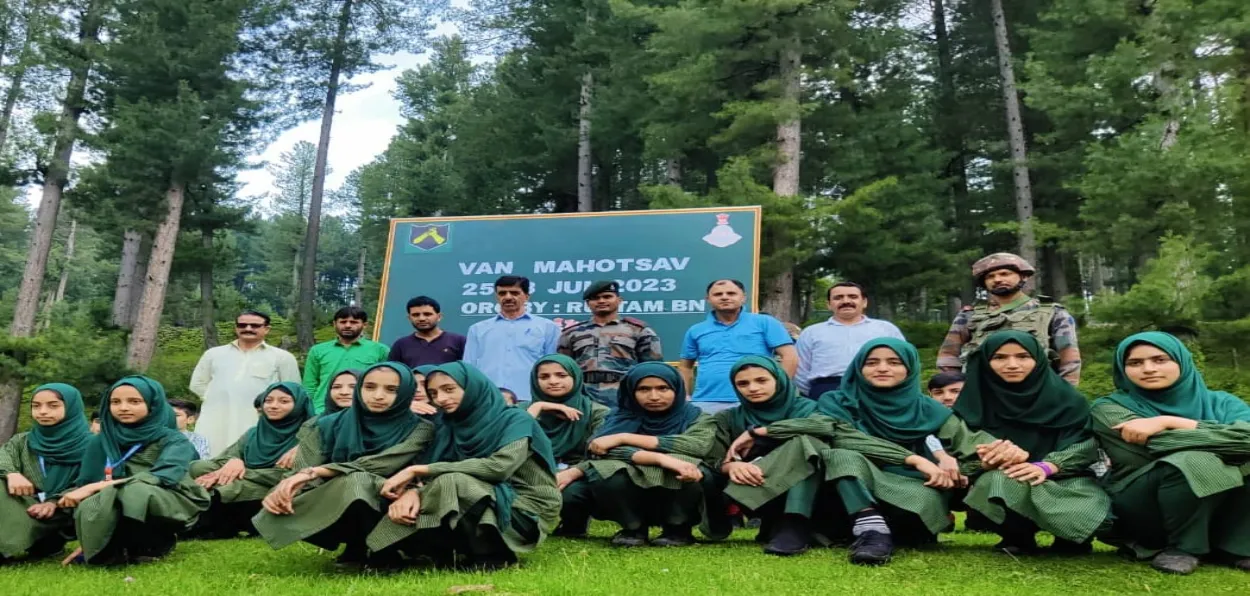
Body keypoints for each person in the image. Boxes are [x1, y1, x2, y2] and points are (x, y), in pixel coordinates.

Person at [366, 361, 561, 570]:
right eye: (433, 393)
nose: (441, 399)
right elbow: (431, 469)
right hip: (479, 494)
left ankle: (492, 555)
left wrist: (419, 470)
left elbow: (499, 467)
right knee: (442, 485)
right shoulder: (447, 423)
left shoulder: (515, 419)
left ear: (473, 387)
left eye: (449, 389)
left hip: (526, 504)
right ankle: (393, 551)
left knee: (453, 481)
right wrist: (413, 492)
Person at [1092, 332, 1250, 575]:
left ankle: (1236, 546)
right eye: (1135, 363)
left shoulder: (1223, 403)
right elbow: (1163, 444)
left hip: (1215, 500)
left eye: (1160, 360)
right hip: (1143, 503)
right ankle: (1183, 548)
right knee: (1192, 460)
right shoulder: (1109, 408)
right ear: (1122, 369)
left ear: (1182, 362)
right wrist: (1226, 443)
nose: (1148, 369)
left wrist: (1172, 421)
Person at [253, 362, 432, 569]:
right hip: (339, 497)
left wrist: (314, 472)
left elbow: (379, 464)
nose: (378, 396)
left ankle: (384, 550)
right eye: (370, 387)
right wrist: (283, 490)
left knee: (357, 480)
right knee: (301, 491)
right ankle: (355, 546)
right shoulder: (325, 424)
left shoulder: (421, 427)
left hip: (401, 497)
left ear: (406, 392)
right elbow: (302, 467)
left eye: (391, 390)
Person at [953, 331, 1110, 555]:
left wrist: (1047, 466)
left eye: (1023, 356)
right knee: (995, 481)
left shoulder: (1068, 401)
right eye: (1000, 357)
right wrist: (987, 462)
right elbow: (962, 452)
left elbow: (1087, 444)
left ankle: (1071, 538)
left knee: (1090, 505)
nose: (1012, 364)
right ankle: (1017, 536)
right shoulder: (973, 404)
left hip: (1065, 477)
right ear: (985, 362)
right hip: (1009, 477)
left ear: (1038, 360)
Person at [815, 339, 961, 565]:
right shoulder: (837, 401)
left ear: (909, 368)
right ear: (859, 367)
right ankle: (872, 530)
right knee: (841, 455)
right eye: (872, 362)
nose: (882, 368)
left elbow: (968, 444)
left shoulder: (930, 408)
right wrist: (913, 459)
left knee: (915, 513)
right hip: (854, 484)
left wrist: (954, 460)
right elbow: (843, 438)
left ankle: (875, 530)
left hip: (910, 485)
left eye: (894, 362)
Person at [59, 376, 210, 565]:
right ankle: (101, 547)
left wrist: (99, 486)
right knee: (82, 497)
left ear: (152, 404)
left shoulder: (172, 439)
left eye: (134, 401)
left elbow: (164, 475)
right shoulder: (101, 440)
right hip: (111, 496)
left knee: (134, 492)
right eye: (115, 402)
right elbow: (86, 481)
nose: (123, 407)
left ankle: (152, 543)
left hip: (168, 495)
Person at [564, 362, 711, 547]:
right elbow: (599, 449)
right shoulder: (617, 417)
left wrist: (624, 438)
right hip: (630, 488)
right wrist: (660, 458)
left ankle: (678, 529)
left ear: (677, 387)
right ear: (630, 391)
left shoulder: (696, 417)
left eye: (663, 388)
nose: (654, 396)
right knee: (606, 472)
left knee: (689, 465)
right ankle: (633, 528)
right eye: (643, 389)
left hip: (676, 488)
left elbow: (698, 446)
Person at [189, 382, 315, 539]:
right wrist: (235, 461)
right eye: (268, 401)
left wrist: (240, 473)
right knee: (198, 467)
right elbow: (224, 457)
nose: (273, 406)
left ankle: (216, 527)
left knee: (229, 486)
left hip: (277, 487)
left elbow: (289, 474)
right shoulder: (254, 433)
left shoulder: (309, 435)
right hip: (248, 480)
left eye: (284, 401)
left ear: (299, 405)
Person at [937, 253, 1081, 385]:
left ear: (1023, 277)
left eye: (1005, 274)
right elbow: (949, 356)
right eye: (990, 276)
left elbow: (1069, 357)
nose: (998, 279)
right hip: (982, 393)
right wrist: (955, 389)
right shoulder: (969, 315)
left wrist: (1065, 393)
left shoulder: (1052, 312)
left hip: (1038, 391)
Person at [0, 384, 93, 562]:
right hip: (28, 507)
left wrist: (54, 502)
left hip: (66, 513)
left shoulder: (93, 445)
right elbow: (3, 457)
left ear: (72, 407)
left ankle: (50, 543)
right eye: (36, 406)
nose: (43, 411)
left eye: (53, 405)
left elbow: (93, 482)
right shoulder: (23, 441)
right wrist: (11, 473)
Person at [521, 355, 610, 536]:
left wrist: (570, 472)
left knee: (572, 492)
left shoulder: (597, 412)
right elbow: (511, 444)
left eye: (561, 375)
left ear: (576, 377)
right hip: (529, 471)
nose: (553, 381)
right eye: (544, 377)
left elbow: (602, 455)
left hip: (576, 472)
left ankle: (574, 524)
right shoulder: (524, 410)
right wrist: (538, 407)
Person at [191, 310, 300, 456]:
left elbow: (292, 390)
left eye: (254, 325)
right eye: (242, 325)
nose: (248, 328)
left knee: (247, 457)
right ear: (236, 328)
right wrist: (215, 398)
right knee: (207, 456)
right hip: (215, 416)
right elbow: (197, 383)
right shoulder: (214, 354)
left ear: (266, 329)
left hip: (257, 419)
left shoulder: (282, 357)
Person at [679, 280, 798, 413]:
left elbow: (790, 356)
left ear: (743, 298)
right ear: (708, 299)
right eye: (718, 294)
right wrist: (684, 397)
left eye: (731, 293)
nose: (724, 297)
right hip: (706, 401)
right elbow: (685, 366)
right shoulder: (696, 330)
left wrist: (779, 390)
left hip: (756, 399)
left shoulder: (765, 323)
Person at [558, 281, 663, 408]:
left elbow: (652, 369)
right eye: (595, 298)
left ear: (619, 300)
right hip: (583, 394)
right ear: (587, 304)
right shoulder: (571, 333)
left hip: (624, 393)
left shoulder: (639, 330)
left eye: (607, 297)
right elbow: (563, 369)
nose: (601, 301)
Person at [795, 282, 905, 399]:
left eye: (853, 297)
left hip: (877, 389)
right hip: (826, 392)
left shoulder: (886, 329)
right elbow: (800, 371)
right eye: (838, 298)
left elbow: (905, 361)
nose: (846, 301)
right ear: (829, 304)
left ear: (864, 302)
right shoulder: (811, 332)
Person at [463, 275, 560, 402]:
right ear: (496, 296)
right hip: (488, 399)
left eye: (514, 293)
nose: (508, 297)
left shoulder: (547, 327)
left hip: (531, 398)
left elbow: (553, 366)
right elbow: (469, 367)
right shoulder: (477, 329)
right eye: (502, 293)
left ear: (527, 296)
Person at [304, 306, 391, 415]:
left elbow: (387, 382)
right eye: (343, 322)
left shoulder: (381, 350)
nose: (348, 325)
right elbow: (309, 385)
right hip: (322, 410)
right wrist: (310, 410)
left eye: (354, 322)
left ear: (364, 325)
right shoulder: (317, 350)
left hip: (364, 410)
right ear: (334, 324)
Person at [388, 296, 467, 368]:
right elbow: (393, 373)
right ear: (409, 318)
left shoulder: (459, 341)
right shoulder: (401, 345)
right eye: (416, 315)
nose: (421, 318)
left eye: (427, 314)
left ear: (439, 317)